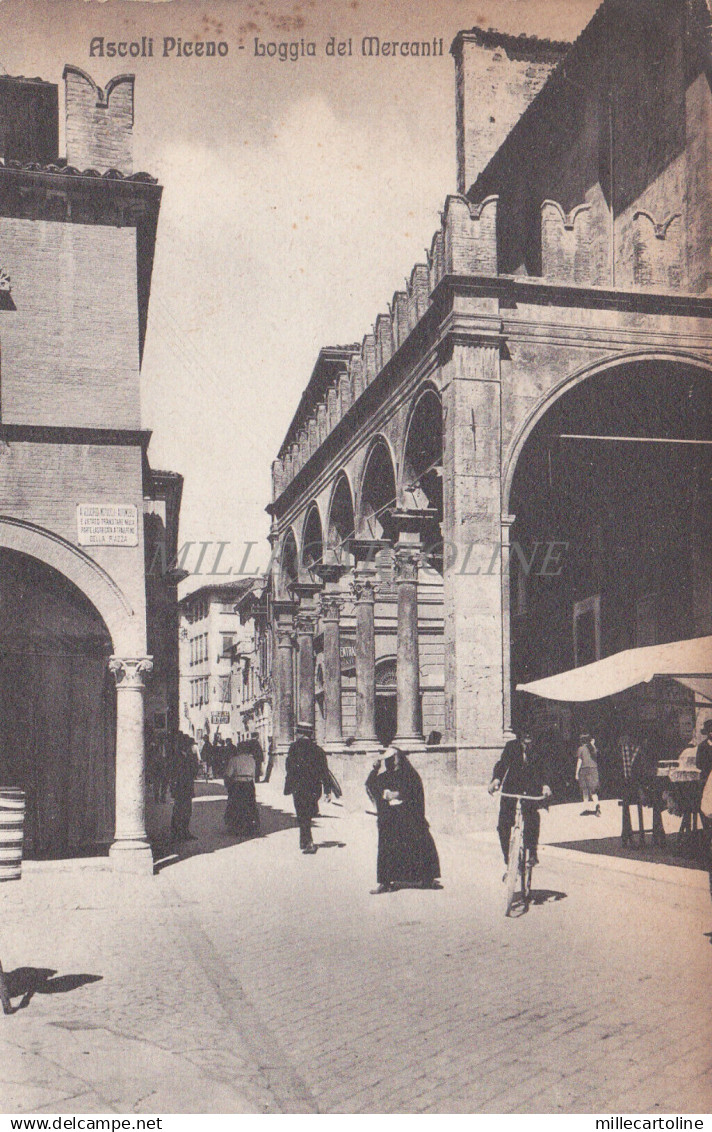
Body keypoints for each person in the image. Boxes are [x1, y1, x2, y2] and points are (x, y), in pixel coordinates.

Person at [365, 747, 441, 894]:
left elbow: (415, 792)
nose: (389, 762)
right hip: (390, 818)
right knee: (387, 848)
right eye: (387, 760)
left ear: (399, 758)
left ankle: (427, 878)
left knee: (420, 844)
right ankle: (385, 882)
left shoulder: (410, 774)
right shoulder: (385, 776)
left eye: (392, 759)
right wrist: (375, 769)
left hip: (409, 817)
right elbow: (371, 785)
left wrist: (399, 794)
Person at [488, 728, 552, 873]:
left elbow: (546, 768)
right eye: (525, 734)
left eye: (530, 735)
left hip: (531, 790)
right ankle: (509, 860)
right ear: (520, 735)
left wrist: (546, 785)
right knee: (503, 825)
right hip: (511, 789)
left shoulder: (539, 748)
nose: (527, 737)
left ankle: (532, 853)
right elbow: (502, 764)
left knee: (532, 819)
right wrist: (496, 780)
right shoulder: (511, 746)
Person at [284, 722, 332, 853]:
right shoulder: (318, 750)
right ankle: (304, 840)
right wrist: (328, 790)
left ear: (301, 733)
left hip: (298, 786)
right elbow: (324, 771)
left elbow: (289, 767)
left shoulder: (293, 748)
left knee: (301, 814)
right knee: (308, 814)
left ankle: (307, 841)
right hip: (314, 787)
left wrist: (289, 782)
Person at [224, 741, 260, 836]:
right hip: (248, 783)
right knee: (250, 804)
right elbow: (254, 774)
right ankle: (250, 825)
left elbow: (228, 774)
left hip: (238, 784)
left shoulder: (234, 760)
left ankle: (236, 826)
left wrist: (228, 785)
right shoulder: (252, 760)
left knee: (236, 805)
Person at [170, 733, 200, 842]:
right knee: (179, 809)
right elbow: (173, 772)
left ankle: (185, 831)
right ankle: (176, 832)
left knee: (187, 810)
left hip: (187, 786)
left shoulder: (190, 756)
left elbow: (194, 770)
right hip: (179, 786)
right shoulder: (176, 756)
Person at [575, 731, 601, 816]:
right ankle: (597, 805)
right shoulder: (593, 748)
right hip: (593, 769)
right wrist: (593, 744)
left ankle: (586, 808)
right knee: (593, 791)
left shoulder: (581, 749)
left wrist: (576, 773)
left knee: (585, 791)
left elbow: (580, 761)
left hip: (584, 770)